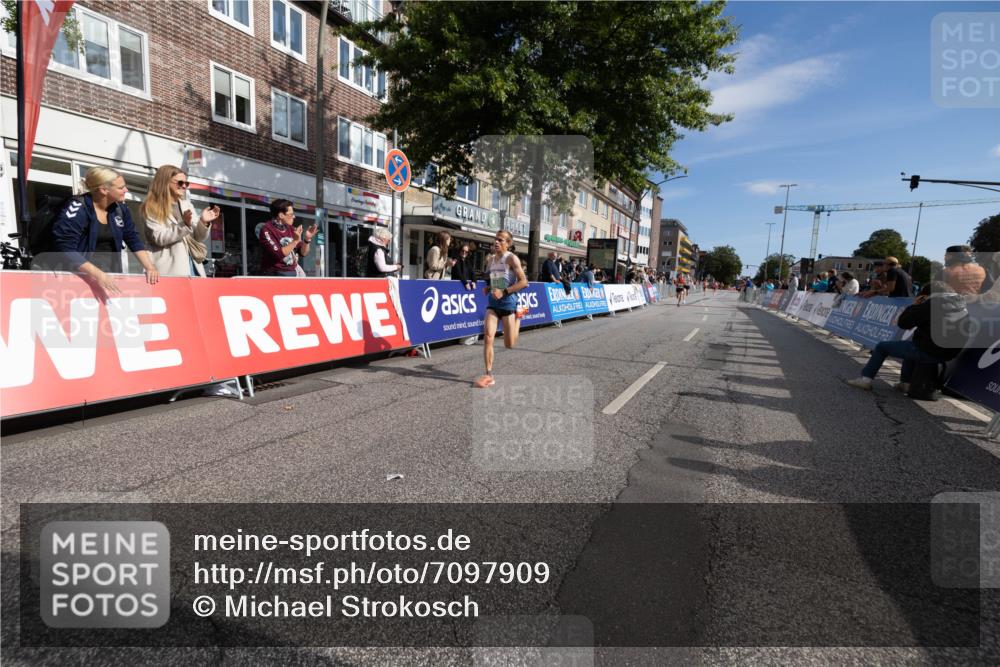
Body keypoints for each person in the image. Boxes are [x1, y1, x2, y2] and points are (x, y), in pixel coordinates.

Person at [847, 280, 970, 393]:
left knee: (882, 347)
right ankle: (905, 382)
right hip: (949, 354)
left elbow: (903, 323)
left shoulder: (932, 304)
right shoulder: (961, 305)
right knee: (911, 346)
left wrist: (915, 305)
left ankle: (865, 380)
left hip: (929, 351)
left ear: (925, 295)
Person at [51, 166, 159, 293]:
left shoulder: (120, 209)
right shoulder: (78, 208)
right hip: (78, 278)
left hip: (110, 276)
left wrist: (149, 267)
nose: (126, 190)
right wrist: (98, 274)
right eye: (120, 187)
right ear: (103, 190)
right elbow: (65, 248)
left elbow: (132, 238)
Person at [141, 165, 221, 277]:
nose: (184, 186)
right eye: (180, 183)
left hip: (193, 266)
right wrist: (184, 225)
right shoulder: (151, 207)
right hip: (169, 269)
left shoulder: (186, 204)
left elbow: (198, 238)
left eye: (186, 183)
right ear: (165, 182)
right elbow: (159, 237)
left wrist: (203, 222)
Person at [474, 230, 529, 388]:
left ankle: (519, 317)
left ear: (508, 244)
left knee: (509, 344)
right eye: (495, 239)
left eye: (500, 240)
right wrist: (489, 287)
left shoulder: (512, 258)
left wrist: (504, 292)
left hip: (508, 304)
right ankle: (489, 374)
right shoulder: (491, 260)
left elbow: (523, 282)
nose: (496, 242)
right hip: (493, 303)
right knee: (488, 335)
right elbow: (494, 280)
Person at [258, 199, 315, 277]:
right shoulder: (267, 229)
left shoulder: (291, 229)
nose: (294, 217)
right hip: (275, 274)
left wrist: (307, 239)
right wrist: (294, 241)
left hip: (292, 272)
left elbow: (303, 253)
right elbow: (278, 254)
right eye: (291, 214)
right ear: (281, 215)